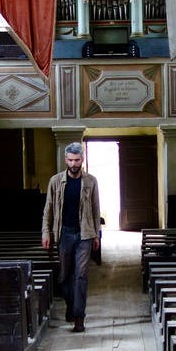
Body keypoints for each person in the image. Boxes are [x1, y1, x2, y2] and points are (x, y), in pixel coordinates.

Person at [41, 142, 101, 332]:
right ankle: (70, 305)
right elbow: (48, 209)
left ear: (82, 160)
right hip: (64, 233)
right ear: (65, 160)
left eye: (77, 160)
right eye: (70, 160)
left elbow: (95, 208)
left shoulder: (91, 181)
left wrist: (97, 234)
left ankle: (79, 317)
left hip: (85, 234)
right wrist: (46, 232)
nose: (74, 164)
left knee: (81, 275)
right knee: (65, 275)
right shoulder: (55, 181)